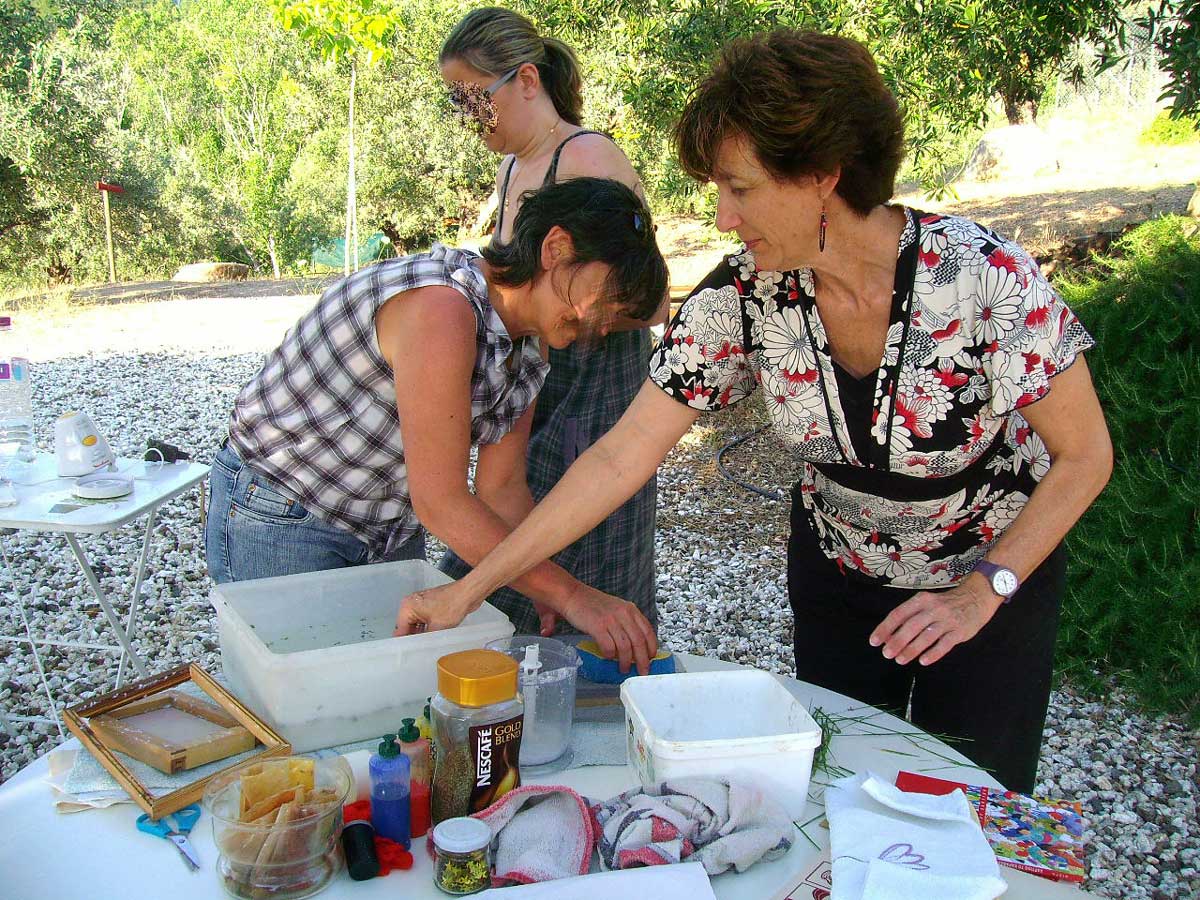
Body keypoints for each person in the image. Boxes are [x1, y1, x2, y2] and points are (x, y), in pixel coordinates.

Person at [395, 31, 1113, 793]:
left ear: (822, 176)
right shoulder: (744, 295)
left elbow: (1085, 455)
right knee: (843, 791)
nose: (723, 217)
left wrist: (982, 591)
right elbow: (618, 456)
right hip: (839, 581)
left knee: (977, 800)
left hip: (989, 582)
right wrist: (464, 590)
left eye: (740, 187)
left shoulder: (980, 278)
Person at [205, 176, 665, 659]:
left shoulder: (529, 345)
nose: (607, 321)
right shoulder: (443, 306)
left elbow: (501, 490)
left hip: (384, 523)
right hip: (284, 511)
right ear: (555, 248)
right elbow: (441, 501)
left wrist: (543, 585)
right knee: (295, 696)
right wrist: (571, 594)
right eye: (609, 295)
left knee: (381, 691)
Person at [436, 6, 667, 640]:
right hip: (533, 394)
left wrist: (577, 315)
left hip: (592, 399)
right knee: (506, 542)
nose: (470, 119)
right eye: (457, 104)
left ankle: (604, 696)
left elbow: (649, 300)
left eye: (477, 99)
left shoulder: (587, 154)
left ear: (528, 81)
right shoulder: (514, 169)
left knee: (589, 556)